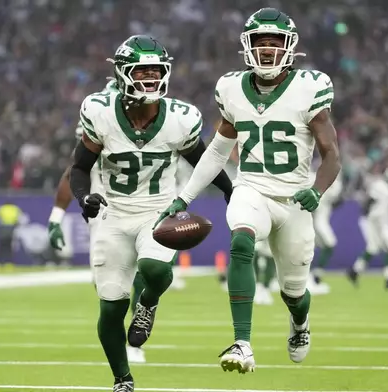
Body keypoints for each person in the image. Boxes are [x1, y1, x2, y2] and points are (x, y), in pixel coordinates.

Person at [157, 8, 341, 374]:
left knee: (293, 293)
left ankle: (300, 324)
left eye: (275, 42)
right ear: (247, 46)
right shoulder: (231, 87)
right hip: (251, 187)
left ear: (290, 47)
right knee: (241, 242)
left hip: (294, 199)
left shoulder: (311, 86)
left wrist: (317, 190)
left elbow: (332, 154)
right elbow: (217, 151)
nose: (268, 49)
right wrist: (184, 197)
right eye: (261, 42)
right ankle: (242, 343)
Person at [69, 35, 233, 391]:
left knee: (155, 269)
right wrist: (84, 198)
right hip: (113, 214)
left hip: (158, 210)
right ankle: (122, 378)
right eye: (141, 71)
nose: (149, 78)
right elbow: (80, 167)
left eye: (155, 71)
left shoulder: (180, 117)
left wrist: (229, 189)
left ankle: (148, 302)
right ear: (123, 73)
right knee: (110, 307)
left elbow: (202, 161)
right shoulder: (99, 111)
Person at [46, 79, 147, 364]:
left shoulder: (156, 114)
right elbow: (76, 167)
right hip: (104, 207)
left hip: (146, 204)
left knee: (145, 268)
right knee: (107, 284)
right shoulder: (99, 112)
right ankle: (125, 335)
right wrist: (56, 216)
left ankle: (137, 332)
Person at [347, 163, 388, 289]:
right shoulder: (380, 186)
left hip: (379, 220)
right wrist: (367, 213)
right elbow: (370, 199)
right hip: (376, 220)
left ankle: (354, 272)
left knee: (373, 248)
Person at [307, 171, 344, 294]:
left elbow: (337, 201)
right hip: (317, 220)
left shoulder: (334, 184)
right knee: (327, 244)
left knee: (314, 248)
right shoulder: (316, 179)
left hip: (320, 219)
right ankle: (311, 278)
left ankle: (314, 276)